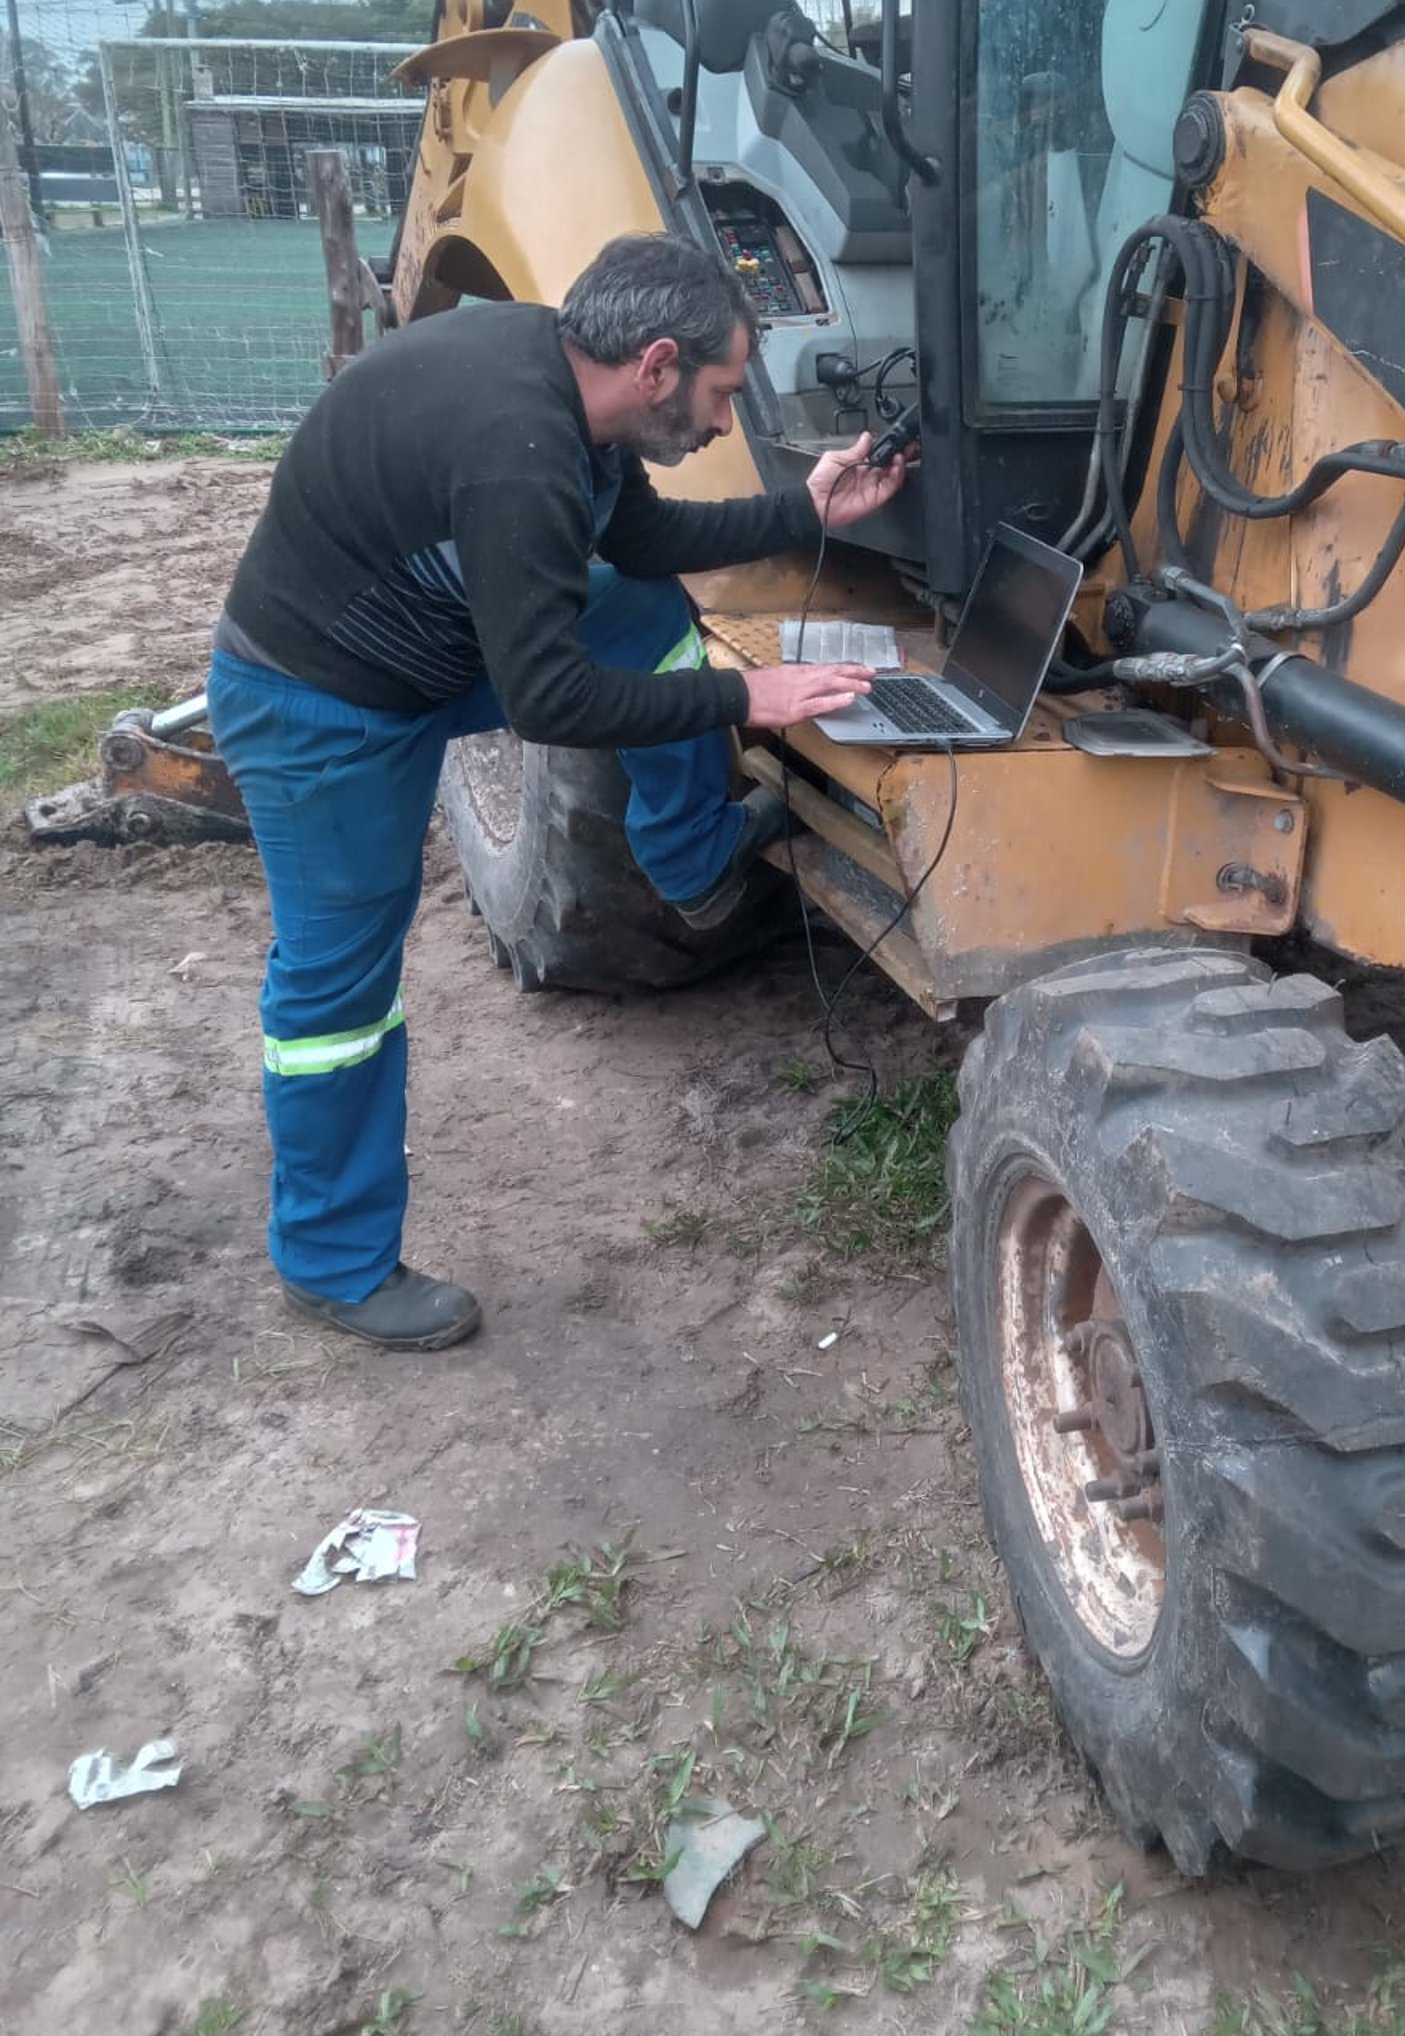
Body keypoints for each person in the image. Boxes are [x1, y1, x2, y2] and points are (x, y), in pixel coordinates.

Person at [208, 232, 906, 1353]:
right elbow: (549, 701)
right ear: (660, 364)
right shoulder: (517, 447)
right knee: (340, 979)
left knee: (643, 608)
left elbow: (643, 540)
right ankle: (333, 1262)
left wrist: (804, 510)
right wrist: (749, 697)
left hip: (427, 644)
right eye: (724, 393)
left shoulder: (572, 388)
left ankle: (691, 859)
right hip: (321, 702)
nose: (727, 422)